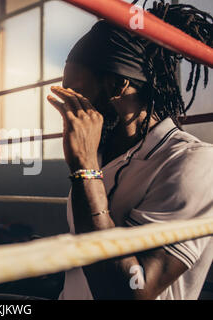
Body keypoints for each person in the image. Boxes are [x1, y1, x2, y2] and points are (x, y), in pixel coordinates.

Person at [47, 1, 213, 299]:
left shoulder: (194, 163)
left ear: (118, 86)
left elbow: (132, 291)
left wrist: (85, 170)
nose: (67, 104)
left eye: (74, 90)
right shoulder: (103, 152)